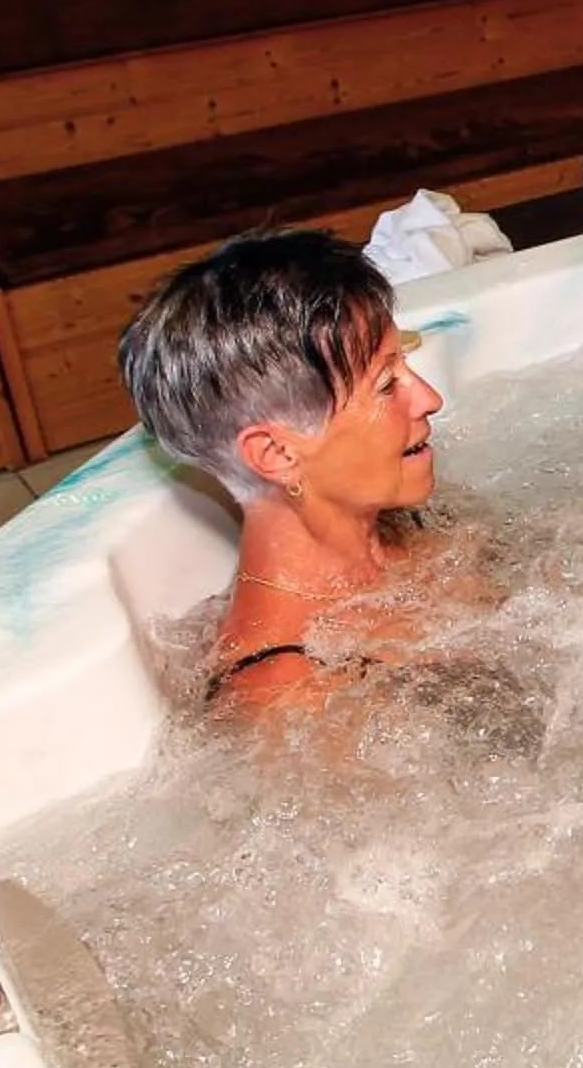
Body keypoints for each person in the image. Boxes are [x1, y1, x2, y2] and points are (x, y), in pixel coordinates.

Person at [117, 228, 449, 718]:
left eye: (406, 364)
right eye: (386, 384)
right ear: (275, 452)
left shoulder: (412, 526)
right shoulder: (291, 692)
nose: (429, 399)